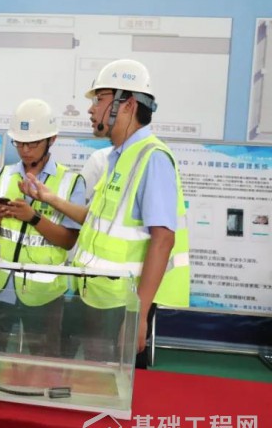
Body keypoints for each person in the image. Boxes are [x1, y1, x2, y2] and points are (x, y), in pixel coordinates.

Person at [21, 59, 190, 368]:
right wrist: (49, 198)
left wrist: (139, 315)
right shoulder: (118, 157)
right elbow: (96, 220)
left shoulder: (152, 158)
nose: (91, 109)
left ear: (128, 105)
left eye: (99, 99)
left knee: (116, 389)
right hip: (99, 298)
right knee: (94, 383)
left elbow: (163, 239)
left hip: (122, 305)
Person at [0, 98, 84, 357]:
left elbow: (68, 241)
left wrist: (33, 218)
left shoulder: (70, 182)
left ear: (51, 140)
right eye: (19, 142)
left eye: (32, 143)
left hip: (43, 293)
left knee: (42, 363)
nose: (24, 150)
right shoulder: (1, 176)